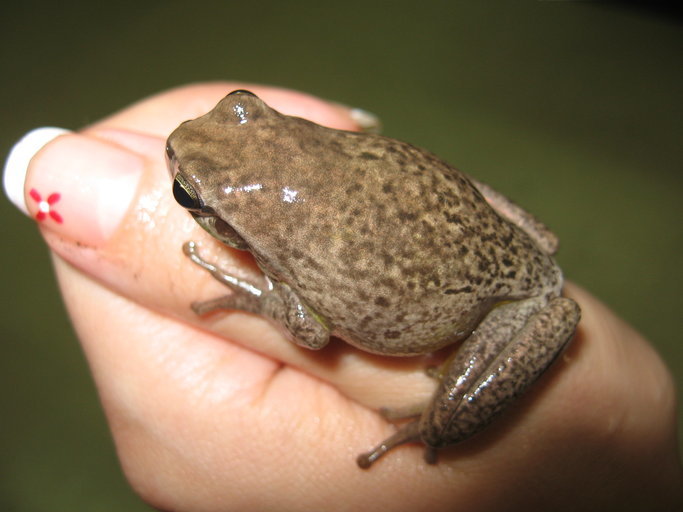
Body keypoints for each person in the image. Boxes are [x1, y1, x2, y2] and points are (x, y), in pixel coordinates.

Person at [4, 83, 682, 511]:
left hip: (498, 315)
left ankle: (437, 425)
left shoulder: (274, 240)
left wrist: (262, 294)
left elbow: (307, 329)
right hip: (514, 248)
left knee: (478, 376)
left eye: (189, 198)